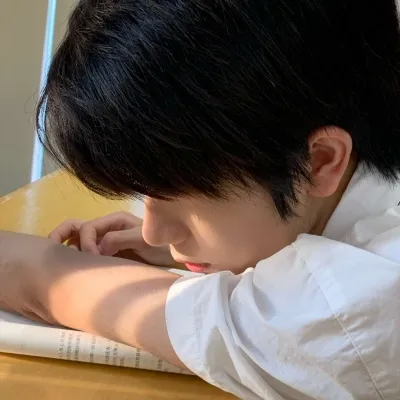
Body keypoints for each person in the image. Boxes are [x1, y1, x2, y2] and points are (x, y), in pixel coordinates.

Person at [1, 0, 400, 398]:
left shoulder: (358, 305)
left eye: (180, 190)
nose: (154, 233)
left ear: (319, 162)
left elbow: (38, 278)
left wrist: (49, 270)